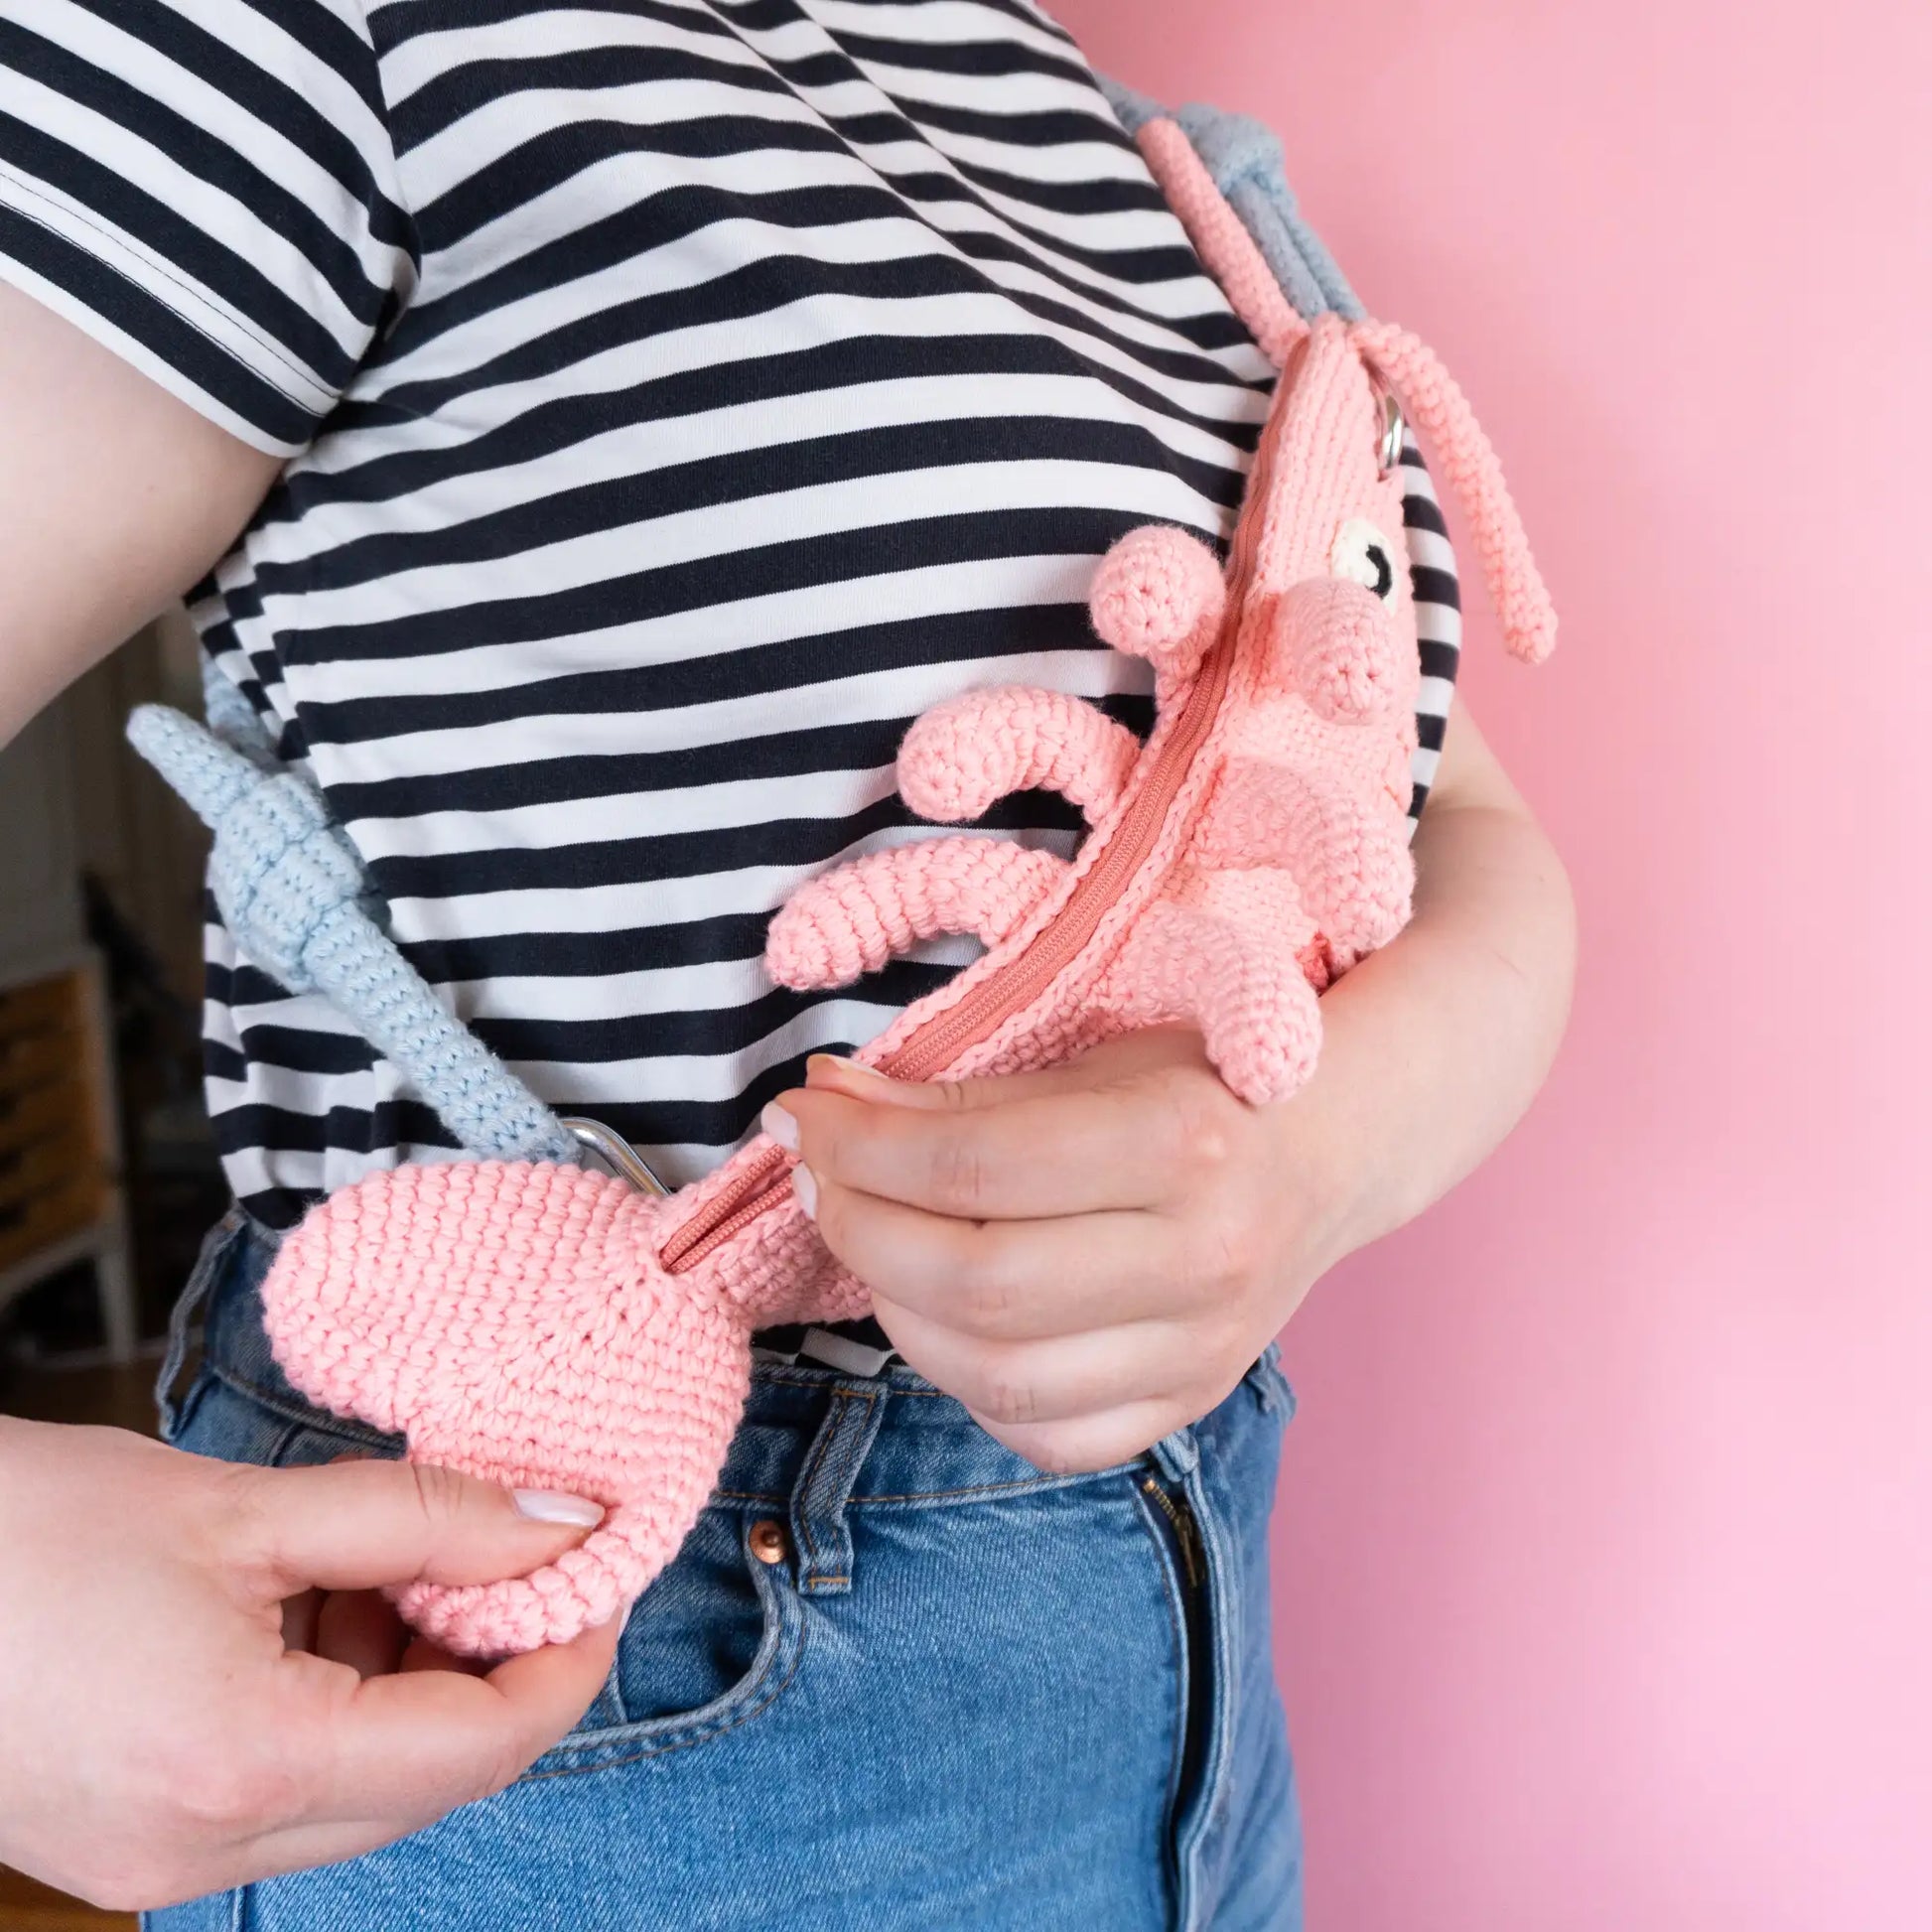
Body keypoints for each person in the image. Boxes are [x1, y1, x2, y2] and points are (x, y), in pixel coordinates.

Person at [0, 3, 1575, 1926]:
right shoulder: (304, 44)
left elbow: (1461, 840)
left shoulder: (1139, 149)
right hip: (586, 1634)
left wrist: (1303, 1174)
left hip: (1169, 1606)